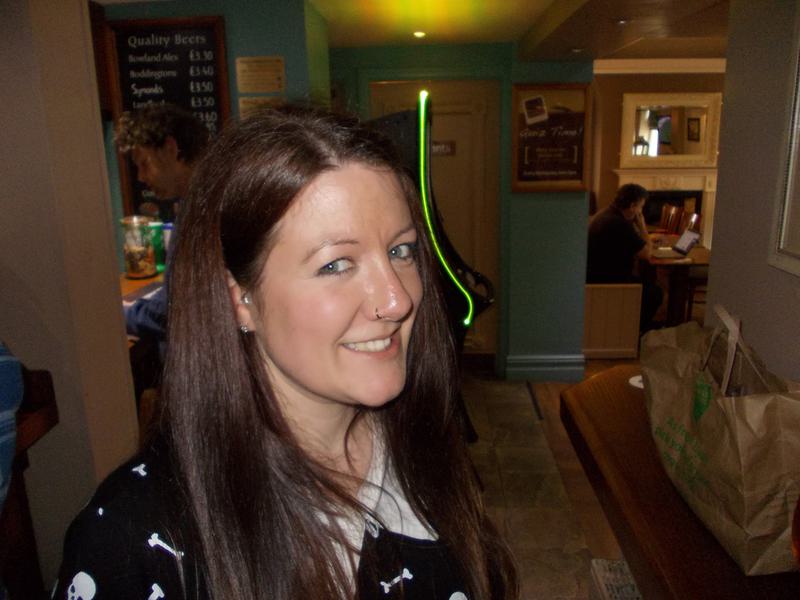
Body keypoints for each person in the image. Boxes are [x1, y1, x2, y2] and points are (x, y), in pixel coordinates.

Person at [54, 106, 518, 599]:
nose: (397, 300)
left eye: (401, 251)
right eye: (336, 264)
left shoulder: (422, 446)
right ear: (241, 300)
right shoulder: (131, 541)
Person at [115, 103, 209, 344]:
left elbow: (173, 312)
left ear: (170, 149)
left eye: (144, 163)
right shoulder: (206, 196)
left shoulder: (202, 213)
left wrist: (118, 315)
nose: (141, 177)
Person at [586, 183, 663, 331]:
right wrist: (643, 227)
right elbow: (647, 254)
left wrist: (644, 238)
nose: (641, 212)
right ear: (633, 206)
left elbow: (630, 241)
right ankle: (634, 330)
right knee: (655, 293)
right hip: (608, 282)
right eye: (641, 207)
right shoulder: (619, 223)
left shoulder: (606, 214)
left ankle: (633, 323)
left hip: (595, 276)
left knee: (646, 283)